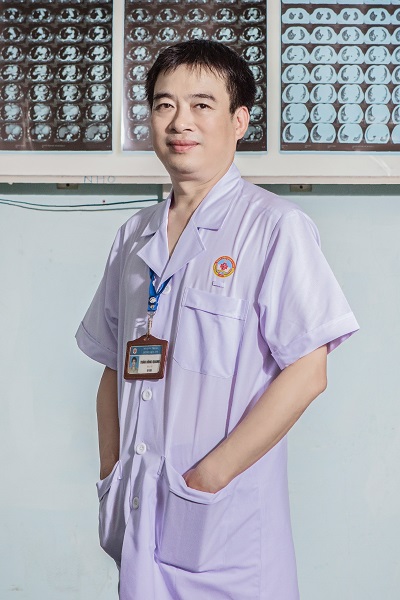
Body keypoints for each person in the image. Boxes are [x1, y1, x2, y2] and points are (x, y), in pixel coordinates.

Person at [76, 40, 359, 600]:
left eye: (201, 105)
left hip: (223, 520)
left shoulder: (274, 227)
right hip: (139, 509)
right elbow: (113, 365)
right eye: (164, 105)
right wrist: (111, 466)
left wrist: (210, 477)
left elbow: (308, 371)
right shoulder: (134, 236)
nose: (180, 122)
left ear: (239, 121)